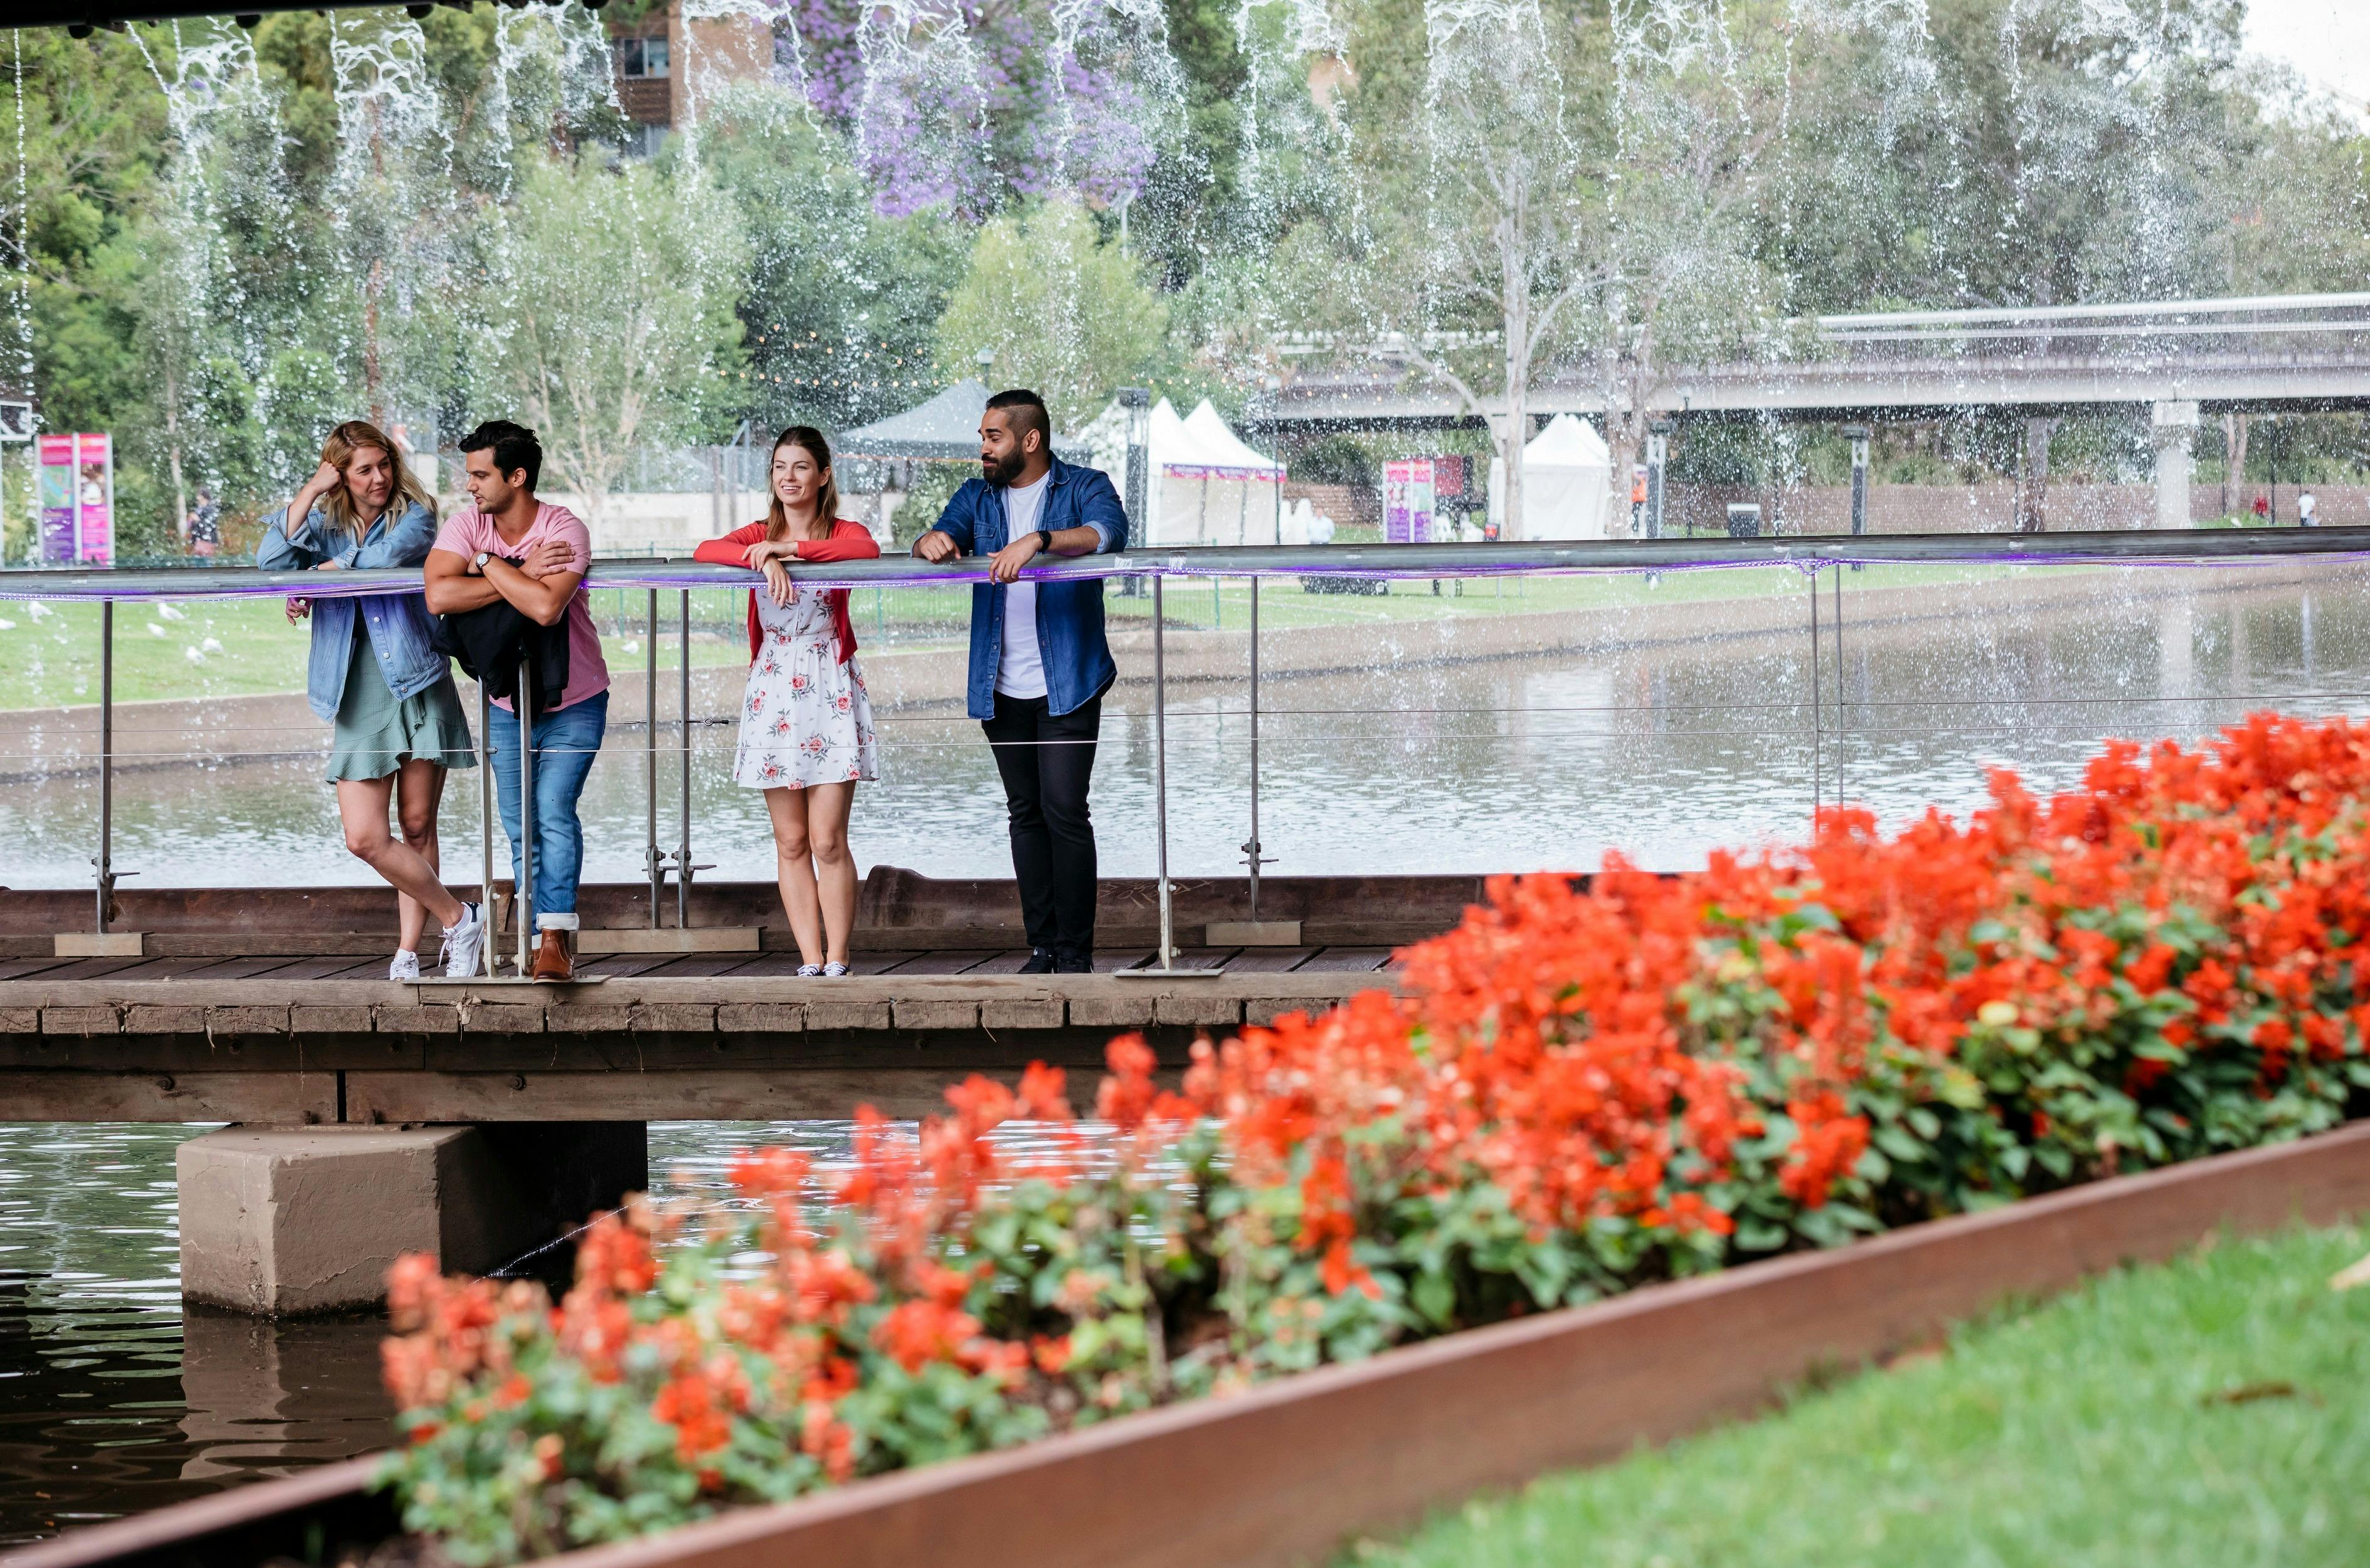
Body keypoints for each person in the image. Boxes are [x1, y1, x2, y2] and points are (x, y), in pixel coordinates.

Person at [257, 420, 486, 981]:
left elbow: (386, 559)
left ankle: (410, 951)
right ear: (340, 473)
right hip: (355, 690)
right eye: (363, 470)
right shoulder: (322, 521)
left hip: (416, 678)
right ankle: (461, 917)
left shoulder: (415, 513)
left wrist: (322, 576)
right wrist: (313, 490)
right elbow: (269, 560)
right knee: (363, 836)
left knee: (415, 825)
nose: (379, 477)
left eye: (384, 464)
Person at [913, 389, 1128, 974]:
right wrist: (930, 541)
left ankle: (1075, 954)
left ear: (1029, 440)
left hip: (1069, 683)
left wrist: (1038, 541)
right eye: (983, 437)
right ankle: (1042, 947)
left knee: (1064, 810)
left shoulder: (1084, 484)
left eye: (993, 437)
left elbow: (1109, 532)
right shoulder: (977, 496)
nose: (983, 448)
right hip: (999, 685)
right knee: (1024, 813)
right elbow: (940, 534)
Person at [423, 420, 610, 982]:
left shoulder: (564, 528)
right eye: (470, 475)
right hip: (506, 702)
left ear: (518, 476)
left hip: (575, 697)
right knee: (518, 825)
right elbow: (438, 594)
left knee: (553, 813)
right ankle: (532, 936)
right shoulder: (465, 525)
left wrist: (485, 564)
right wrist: (514, 572)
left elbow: (547, 608)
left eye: (481, 475)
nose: (471, 486)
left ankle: (555, 940)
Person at [694, 426, 881, 977]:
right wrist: (763, 557)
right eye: (779, 466)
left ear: (823, 475)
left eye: (801, 467)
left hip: (829, 683)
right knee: (792, 838)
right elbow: (705, 551)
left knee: (827, 838)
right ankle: (810, 959)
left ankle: (840, 958)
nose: (788, 477)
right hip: (774, 684)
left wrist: (789, 550)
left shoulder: (840, 530)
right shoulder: (756, 533)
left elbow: (864, 550)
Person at [186, 489, 221, 558]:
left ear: (204, 497)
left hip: (206, 542)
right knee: (199, 562)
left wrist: (197, 519)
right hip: (199, 541)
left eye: (199, 496)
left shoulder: (210, 509)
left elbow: (209, 526)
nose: (197, 498)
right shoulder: (199, 509)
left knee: (204, 562)